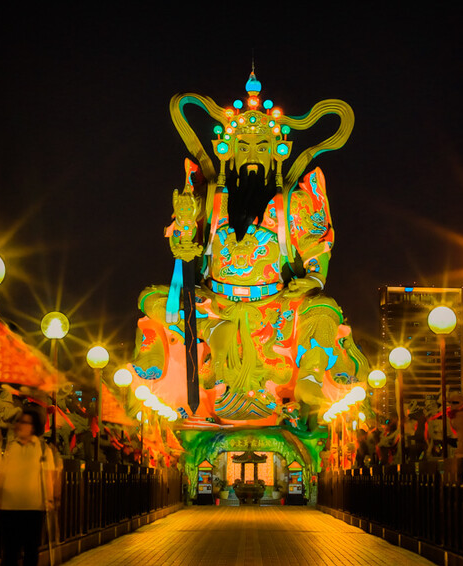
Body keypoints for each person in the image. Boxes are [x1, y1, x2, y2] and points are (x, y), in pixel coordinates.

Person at [125, 71, 371, 429]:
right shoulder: (209, 198)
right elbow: (184, 238)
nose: (252, 155)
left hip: (277, 305)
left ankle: (311, 378)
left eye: (261, 148)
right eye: (243, 147)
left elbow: (317, 243)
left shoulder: (294, 203)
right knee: (153, 299)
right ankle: (154, 363)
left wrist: (313, 277)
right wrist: (184, 245)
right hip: (216, 304)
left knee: (323, 309)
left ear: (277, 152)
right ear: (228, 151)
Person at [0, 407, 55, 566]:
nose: (20, 425)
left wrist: (50, 500)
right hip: (8, 509)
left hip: (33, 509)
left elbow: (48, 477)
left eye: (25, 422)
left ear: (33, 427)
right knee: (10, 553)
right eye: (19, 422)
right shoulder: (6, 447)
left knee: (31, 552)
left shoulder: (43, 449)